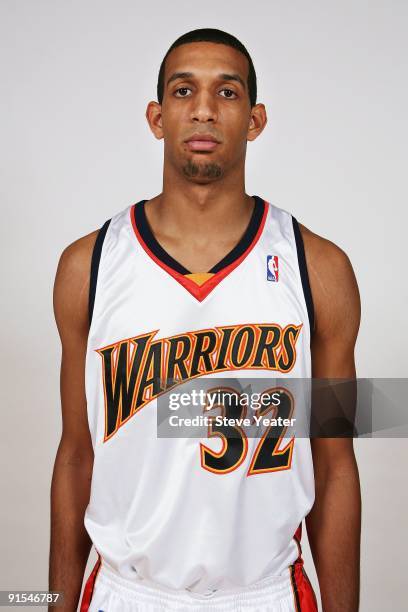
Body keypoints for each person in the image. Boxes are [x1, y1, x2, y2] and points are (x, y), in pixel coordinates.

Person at [49, 28, 361, 612]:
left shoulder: (318, 268)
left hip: (263, 593)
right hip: (127, 592)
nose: (203, 109)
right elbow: (75, 455)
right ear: (157, 116)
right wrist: (52, 604)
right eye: (184, 90)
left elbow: (336, 464)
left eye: (227, 93)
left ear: (255, 118)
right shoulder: (87, 265)